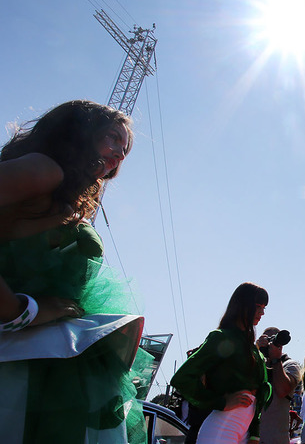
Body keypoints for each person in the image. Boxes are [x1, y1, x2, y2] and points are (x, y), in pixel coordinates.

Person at [0, 100, 148, 443]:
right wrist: (19, 310)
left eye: (125, 150)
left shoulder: (61, 191)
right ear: (80, 129)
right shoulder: (44, 169)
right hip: (16, 359)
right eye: (113, 137)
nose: (119, 155)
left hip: (38, 361)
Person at [171, 282, 271, 443]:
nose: (262, 312)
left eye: (264, 307)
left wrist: (254, 433)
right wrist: (220, 402)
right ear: (243, 305)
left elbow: (258, 396)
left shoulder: (253, 350)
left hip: (243, 432)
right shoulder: (221, 338)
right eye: (258, 306)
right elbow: (182, 379)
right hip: (219, 430)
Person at [257, 327, 302, 444]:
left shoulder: (290, 365)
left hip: (276, 439)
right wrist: (255, 350)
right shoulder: (256, 362)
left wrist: (276, 360)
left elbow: (283, 391)